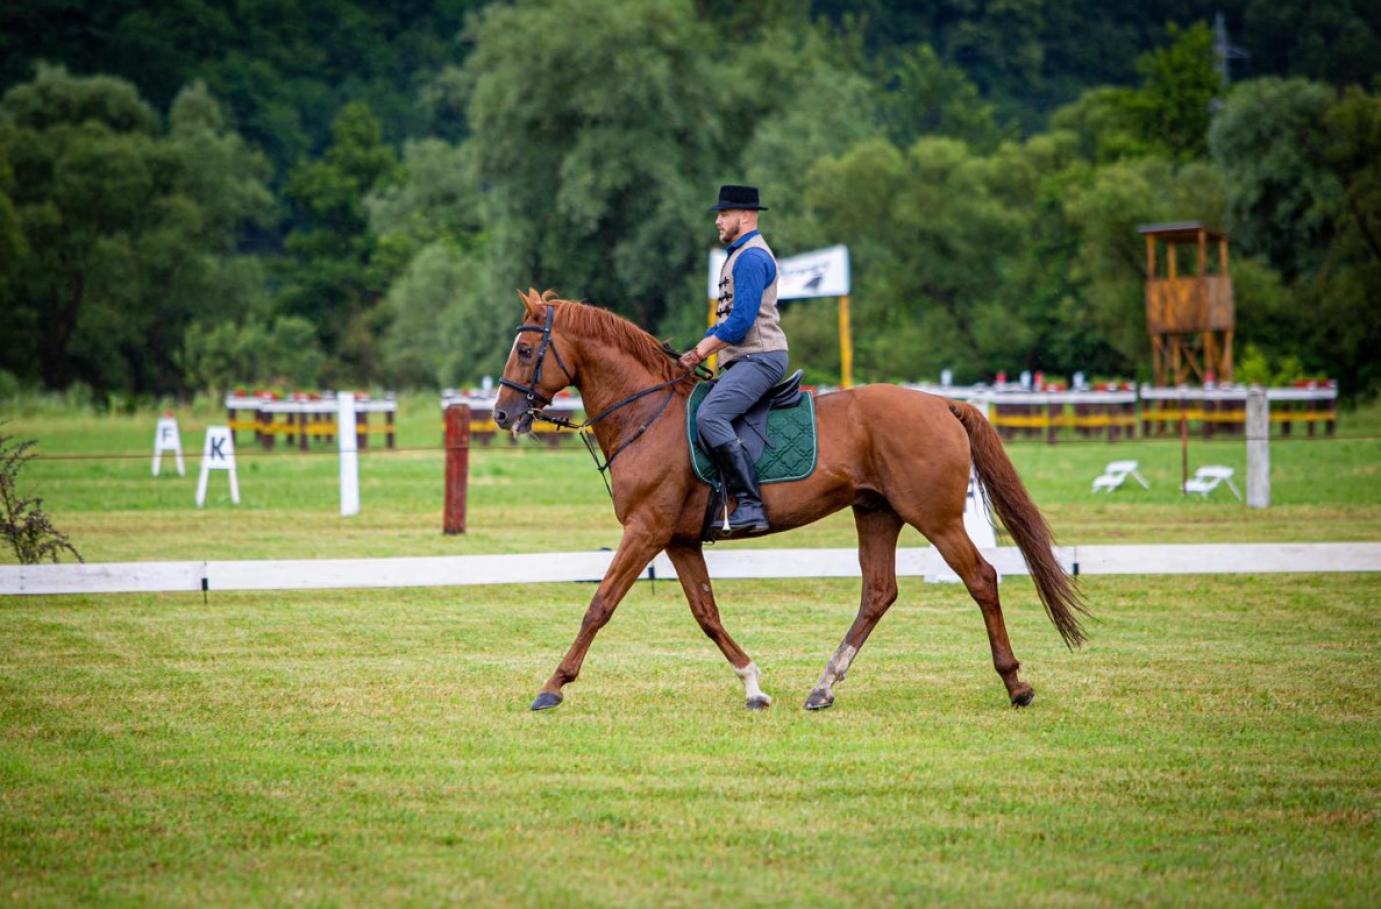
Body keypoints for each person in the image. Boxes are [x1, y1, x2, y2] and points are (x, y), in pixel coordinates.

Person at [678, 184, 788, 533]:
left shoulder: (752, 257)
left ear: (744, 216)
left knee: (711, 416)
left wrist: (699, 352)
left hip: (761, 357)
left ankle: (751, 505)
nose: (718, 221)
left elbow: (740, 322)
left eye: (723, 214)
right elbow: (727, 320)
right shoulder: (740, 254)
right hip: (746, 359)